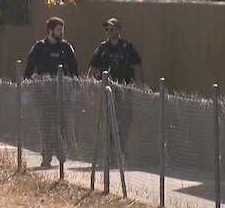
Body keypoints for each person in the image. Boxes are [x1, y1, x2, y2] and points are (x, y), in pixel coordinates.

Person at [23, 16, 78, 168]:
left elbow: (74, 68)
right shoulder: (39, 47)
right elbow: (29, 67)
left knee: (61, 122)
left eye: (62, 29)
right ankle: (47, 156)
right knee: (46, 123)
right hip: (44, 91)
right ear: (50, 31)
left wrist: (75, 87)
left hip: (62, 91)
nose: (61, 32)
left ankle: (61, 151)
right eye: (59, 30)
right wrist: (26, 86)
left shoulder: (66, 47)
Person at [87, 17, 143, 162]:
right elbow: (92, 71)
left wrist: (139, 87)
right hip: (107, 90)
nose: (109, 32)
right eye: (107, 30)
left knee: (125, 120)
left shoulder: (127, 47)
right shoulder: (102, 49)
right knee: (108, 121)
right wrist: (92, 88)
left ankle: (119, 148)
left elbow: (137, 67)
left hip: (124, 88)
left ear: (118, 30)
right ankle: (110, 153)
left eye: (112, 29)